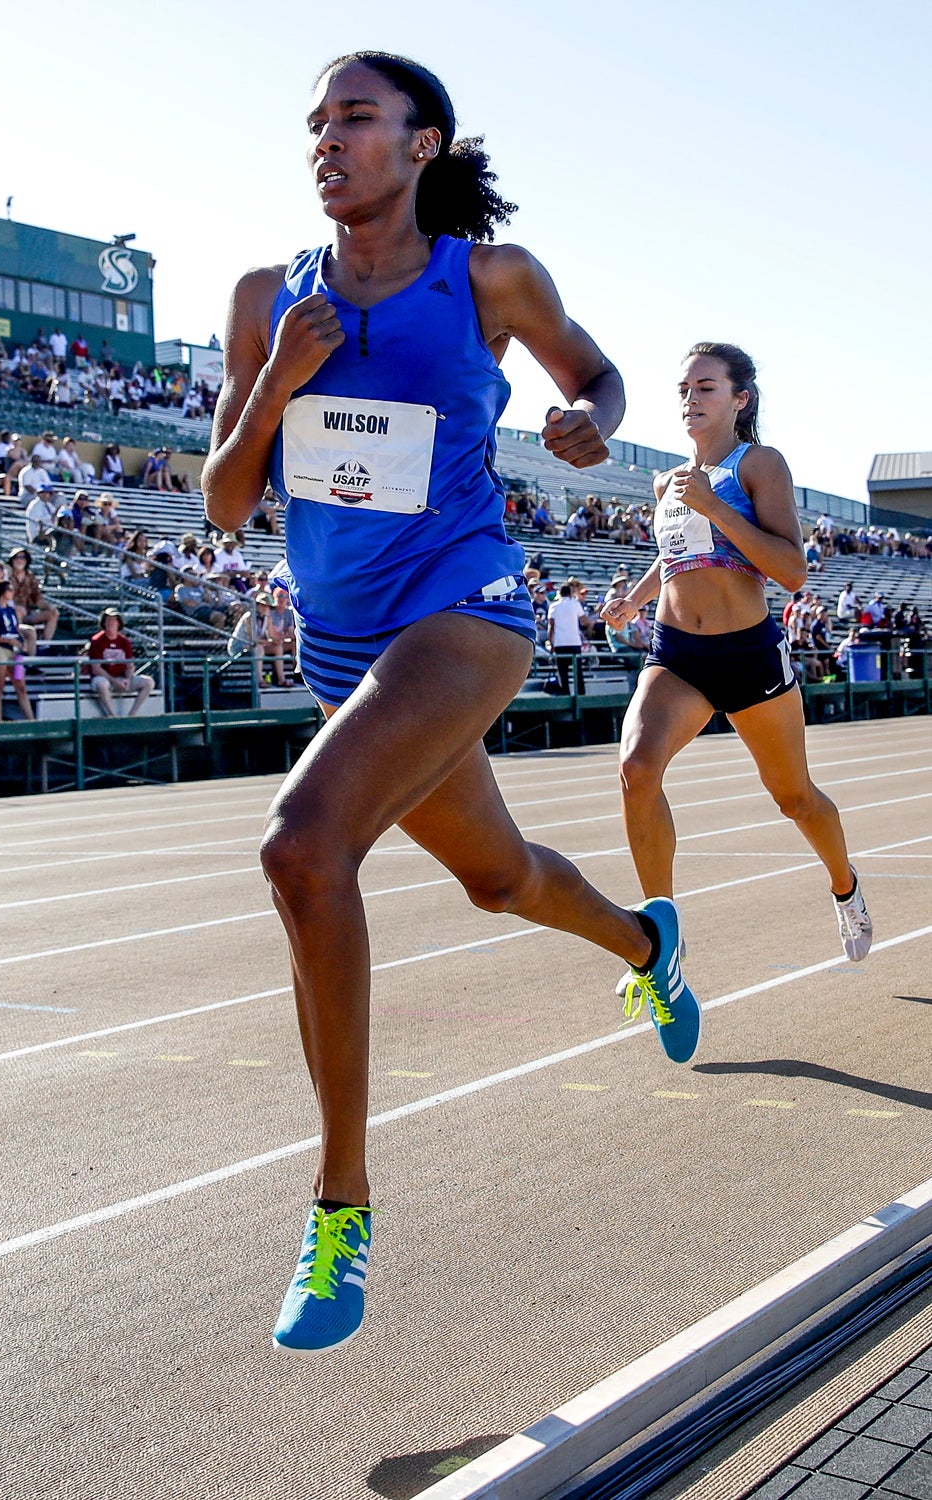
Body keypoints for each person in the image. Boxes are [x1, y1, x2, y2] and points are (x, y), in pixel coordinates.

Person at [199, 51, 696, 1356]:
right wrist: (271, 385)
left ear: (423, 145)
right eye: (316, 123)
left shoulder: (488, 278)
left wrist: (588, 421)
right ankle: (649, 948)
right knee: (498, 879)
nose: (328, 140)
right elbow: (222, 500)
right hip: (341, 647)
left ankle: (340, 1209)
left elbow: (597, 377)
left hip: (470, 611)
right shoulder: (269, 298)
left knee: (305, 847)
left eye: (356, 119)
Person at [601, 343, 872, 971]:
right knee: (636, 770)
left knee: (793, 796)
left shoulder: (760, 464)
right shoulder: (667, 479)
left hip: (748, 655)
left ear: (739, 399)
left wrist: (715, 504)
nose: (690, 400)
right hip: (677, 655)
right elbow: (675, 555)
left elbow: (793, 571)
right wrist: (635, 601)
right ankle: (659, 936)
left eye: (706, 388)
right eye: (683, 390)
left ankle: (845, 887)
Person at [86, 607, 153, 716]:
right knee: (101, 683)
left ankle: (132, 714)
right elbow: (96, 669)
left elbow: (129, 666)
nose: (111, 623)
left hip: (121, 678)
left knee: (148, 682)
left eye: (114, 620)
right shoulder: (97, 641)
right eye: (108, 620)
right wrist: (114, 681)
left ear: (119, 623)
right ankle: (112, 715)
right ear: (104, 622)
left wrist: (127, 679)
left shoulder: (124, 641)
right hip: (105, 679)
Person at [0, 580, 35, 722]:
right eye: (9, 590)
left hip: (14, 652)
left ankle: (30, 720)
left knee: (21, 686)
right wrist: (7, 641)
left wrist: (21, 641)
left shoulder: (11, 611)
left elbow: (14, 628)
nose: (12, 592)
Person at [546, 582, 585, 692]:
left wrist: (551, 643)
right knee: (578, 672)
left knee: (562, 673)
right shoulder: (575, 604)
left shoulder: (553, 606)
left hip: (560, 643)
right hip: (574, 642)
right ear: (569, 593)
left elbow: (551, 627)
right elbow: (584, 620)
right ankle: (581, 694)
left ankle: (565, 693)